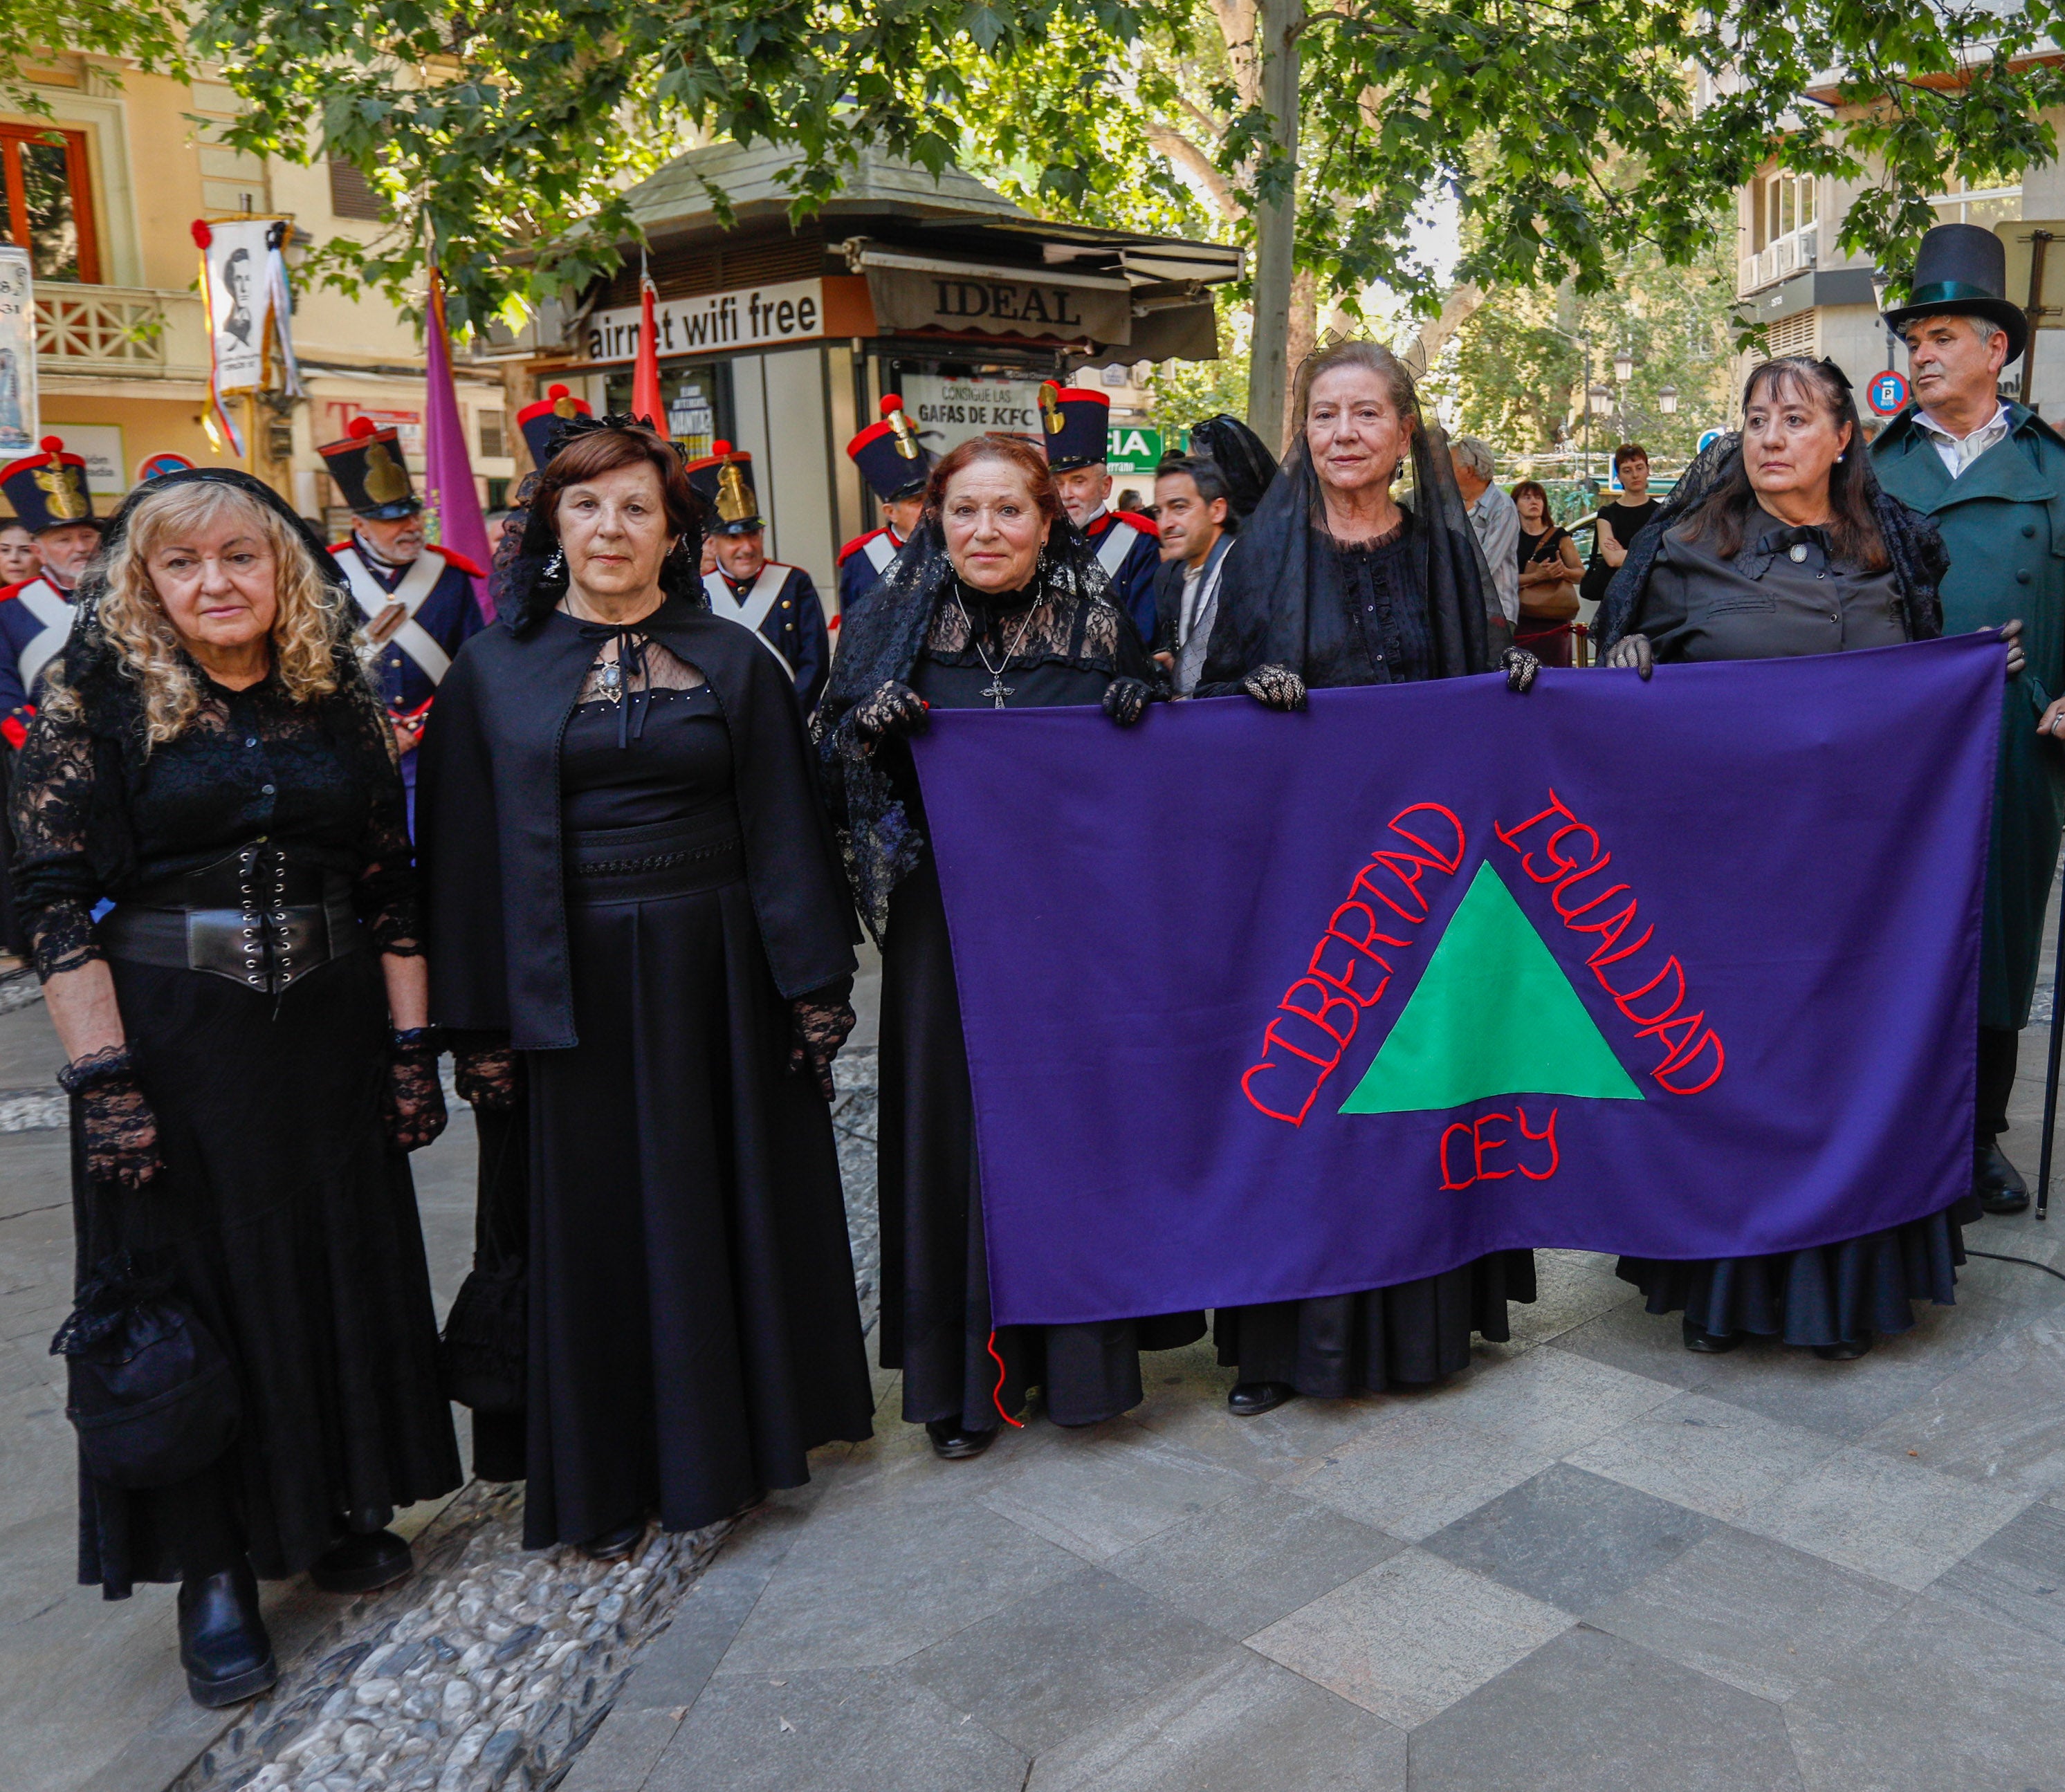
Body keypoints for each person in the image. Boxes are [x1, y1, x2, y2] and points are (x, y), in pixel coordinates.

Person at [14, 469, 461, 1706]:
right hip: (174, 1037)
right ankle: (213, 1567)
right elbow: (49, 903)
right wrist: (104, 1078)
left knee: (327, 1264)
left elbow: (390, 883)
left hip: (327, 1035)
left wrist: (411, 1046)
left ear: (284, 570)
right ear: (145, 583)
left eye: (239, 558)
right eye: (182, 564)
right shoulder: (92, 700)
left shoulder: (337, 696)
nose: (215, 584)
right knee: (192, 1288)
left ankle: (325, 1510)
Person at [422, 416, 873, 1551]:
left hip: (716, 975)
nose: (610, 528)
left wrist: (811, 984)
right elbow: (464, 855)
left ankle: (731, 1447)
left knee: (720, 1206)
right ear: (552, 526)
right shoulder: (491, 671)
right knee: (596, 1226)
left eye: (635, 506)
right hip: (561, 985)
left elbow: (785, 823)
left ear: (674, 530)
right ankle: (605, 1470)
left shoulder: (733, 660)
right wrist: (476, 1023)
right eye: (585, 505)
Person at [1598, 356, 2024, 1358]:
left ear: (1844, 438)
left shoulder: (1903, 550)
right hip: (1722, 881)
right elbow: (1618, 702)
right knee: (1729, 1067)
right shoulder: (1677, 551)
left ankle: (1842, 1291)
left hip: (1863, 879)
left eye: (1794, 418)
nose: (1770, 436)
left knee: (1850, 1066)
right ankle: (1722, 1287)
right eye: (1754, 418)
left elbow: (1917, 681)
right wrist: (1627, 669)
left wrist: (1971, 673)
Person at [815, 432, 1193, 1460]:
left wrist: (1142, 711)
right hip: (947, 929)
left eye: (1008, 510)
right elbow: (833, 781)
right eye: (964, 510)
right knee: (955, 1132)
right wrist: (869, 738)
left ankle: (1081, 1364)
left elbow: (1149, 798)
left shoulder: (1097, 624)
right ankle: (959, 1387)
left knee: (1070, 1129)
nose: (985, 530)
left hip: (1072, 934)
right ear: (936, 520)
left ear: (1046, 521)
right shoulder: (891, 624)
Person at [1195, 340, 1542, 1412]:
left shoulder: (1442, 551)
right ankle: (1282, 1348)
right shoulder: (1257, 554)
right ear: (1303, 428)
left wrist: (1515, 679)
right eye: (1325, 413)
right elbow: (1200, 714)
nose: (1343, 432)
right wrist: (1248, 696)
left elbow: (1476, 706)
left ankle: (1422, 1328)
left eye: (1365, 414)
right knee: (1302, 1099)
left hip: (1423, 881)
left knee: (1418, 1095)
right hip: (1296, 883)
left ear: (1403, 433)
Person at [1867, 224, 2065, 1218]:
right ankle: (1890, 1128)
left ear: (1996, 349)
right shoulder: (1870, 466)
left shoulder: (2058, 472)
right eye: (1913, 337)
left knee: (1996, 942)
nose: (1921, 353)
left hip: (2012, 745)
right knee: (1890, 939)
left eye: (1942, 335)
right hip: (1889, 753)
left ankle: (1977, 1136)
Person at [318, 417, 490, 793]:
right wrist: (379, 727)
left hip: (441, 743)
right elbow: (318, 667)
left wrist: (420, 726)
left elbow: (472, 662)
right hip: (358, 746)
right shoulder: (327, 578)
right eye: (393, 520)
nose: (411, 526)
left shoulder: (450, 575)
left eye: (413, 514)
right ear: (360, 525)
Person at [686, 439, 831, 717]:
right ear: (713, 544)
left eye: (752, 534)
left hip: (793, 719)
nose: (747, 547)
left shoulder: (794, 583)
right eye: (733, 538)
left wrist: (790, 717)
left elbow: (815, 663)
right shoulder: (701, 590)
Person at [0, 436, 106, 750]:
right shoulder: (7, 608)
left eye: (87, 535)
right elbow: (4, 693)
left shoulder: (133, 596)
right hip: (46, 749)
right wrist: (44, 747)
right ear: (39, 552)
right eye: (64, 540)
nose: (81, 548)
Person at [1042, 382, 1165, 644]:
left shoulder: (1138, 543)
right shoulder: (1038, 540)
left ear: (1105, 486)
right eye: (1058, 483)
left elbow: (1143, 635)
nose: (1066, 494)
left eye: (1078, 481)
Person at [1149, 451, 1236, 697]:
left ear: (1217, 510)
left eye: (1179, 508)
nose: (1165, 523)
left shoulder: (1249, 571)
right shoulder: (1178, 575)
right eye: (1159, 511)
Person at [839, 394, 933, 617]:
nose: (928, 508)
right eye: (916, 501)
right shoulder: (862, 560)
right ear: (891, 512)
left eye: (931, 497)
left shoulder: (958, 544)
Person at [1579, 443, 1660, 615]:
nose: (1635, 475)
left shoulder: (1661, 513)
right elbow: (1613, 559)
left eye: (1639, 468)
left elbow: (1666, 554)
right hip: (1617, 601)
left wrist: (1625, 552)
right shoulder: (1607, 514)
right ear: (1619, 476)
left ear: (1648, 470)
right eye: (1627, 470)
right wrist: (1649, 554)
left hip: (1654, 599)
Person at [1451, 435, 1521, 628]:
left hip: (1492, 613)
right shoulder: (1453, 505)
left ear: (1468, 470)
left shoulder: (1502, 506)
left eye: (1451, 465)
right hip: (1459, 613)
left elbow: (1486, 565)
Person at [1513, 480, 1584, 667]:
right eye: (1527, 498)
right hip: (1522, 616)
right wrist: (1537, 576)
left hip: (1555, 616)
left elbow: (1580, 574)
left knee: (1557, 671)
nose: (1533, 502)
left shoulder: (1559, 535)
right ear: (1515, 504)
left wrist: (1563, 572)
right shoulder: (1510, 537)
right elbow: (1502, 579)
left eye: (1538, 498)